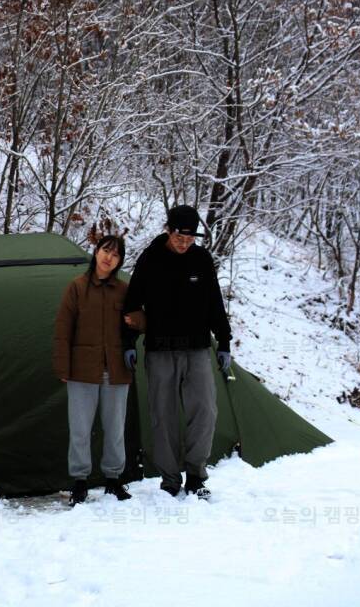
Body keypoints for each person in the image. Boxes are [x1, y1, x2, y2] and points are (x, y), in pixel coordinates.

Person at [123, 205, 232, 500]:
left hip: (197, 348)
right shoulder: (150, 259)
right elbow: (132, 304)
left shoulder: (201, 259)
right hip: (160, 350)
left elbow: (215, 302)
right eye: (179, 237)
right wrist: (128, 342)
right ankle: (170, 479)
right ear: (168, 231)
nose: (184, 243)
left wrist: (224, 341)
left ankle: (195, 475)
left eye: (189, 238)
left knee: (205, 410)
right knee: (164, 415)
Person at [52, 234, 137, 506]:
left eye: (115, 254)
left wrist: (137, 320)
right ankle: (80, 482)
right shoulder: (77, 287)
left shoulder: (124, 290)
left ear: (119, 261)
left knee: (115, 428)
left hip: (116, 370)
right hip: (81, 371)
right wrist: (63, 366)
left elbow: (141, 319)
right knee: (80, 428)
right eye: (105, 250)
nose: (109, 257)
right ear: (96, 251)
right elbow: (63, 329)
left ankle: (113, 479)